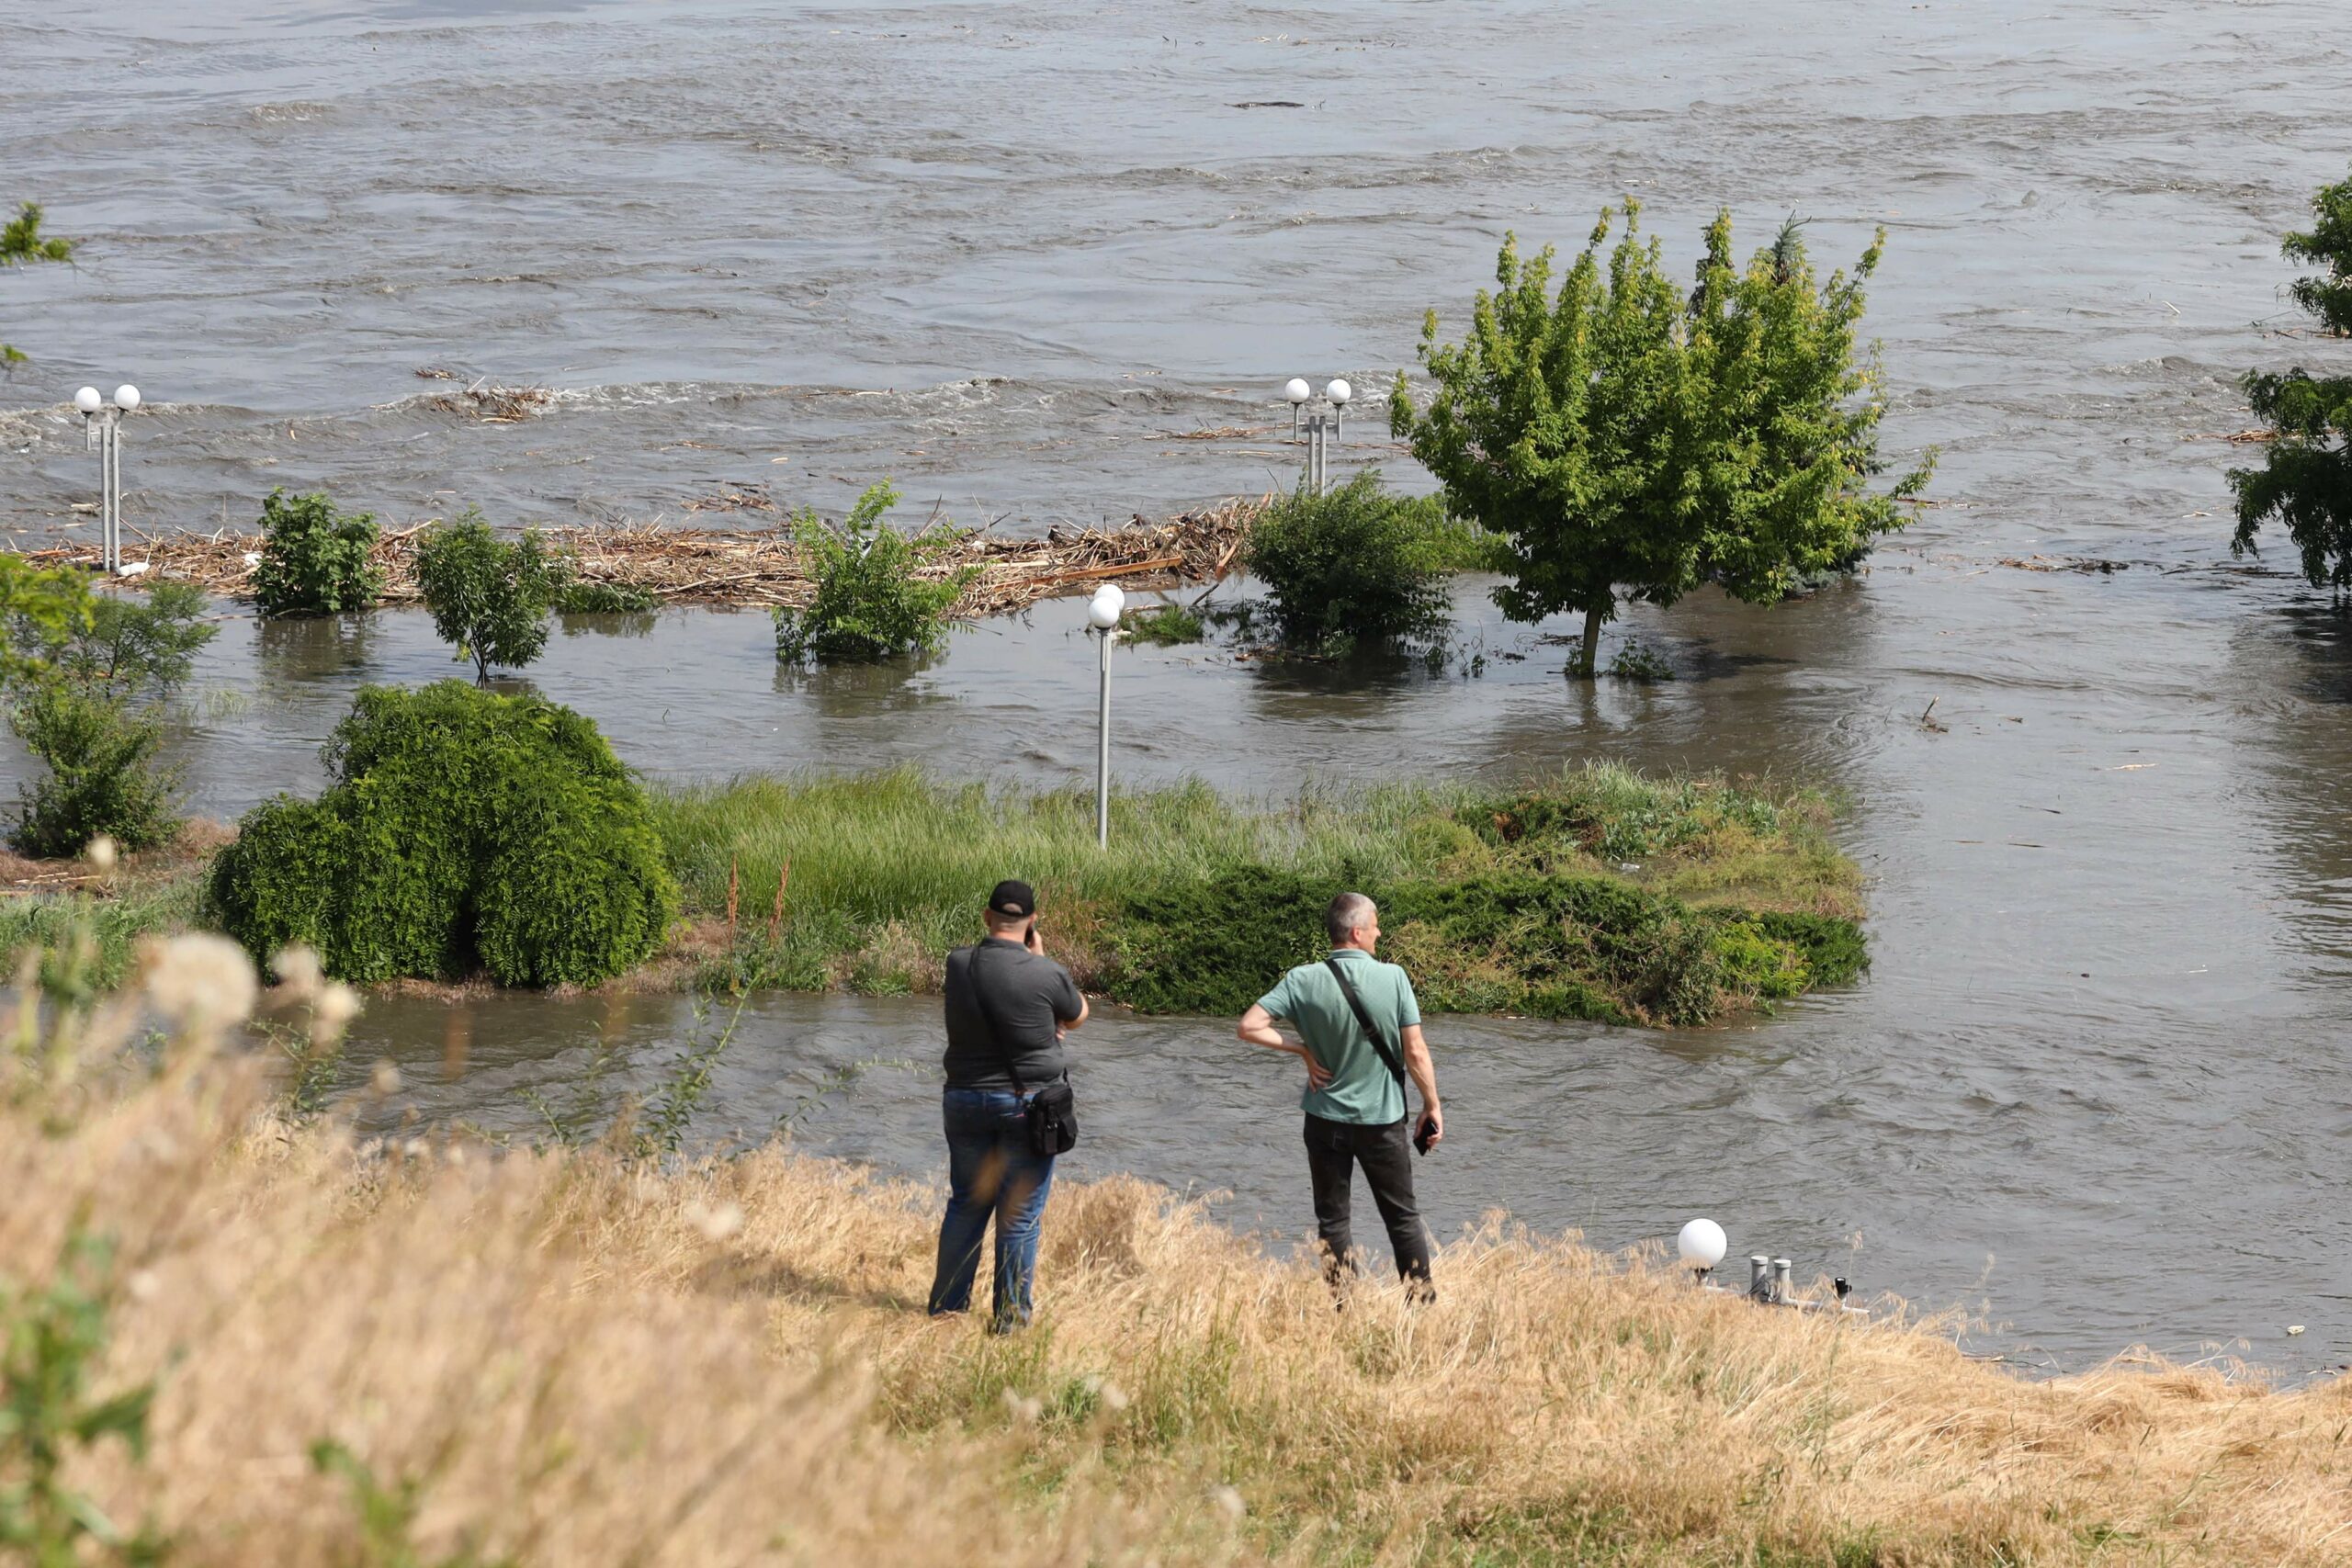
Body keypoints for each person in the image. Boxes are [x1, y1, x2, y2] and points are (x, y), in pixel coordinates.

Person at [1237, 891, 1442, 1297]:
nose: (1380, 932)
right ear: (1356, 931)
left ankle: (1345, 1310)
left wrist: (1301, 1049)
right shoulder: (1393, 977)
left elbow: (1249, 1026)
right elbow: (1415, 1052)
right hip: (1381, 1123)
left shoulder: (1301, 979)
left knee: (1333, 1223)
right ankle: (1420, 1308)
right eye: (1376, 925)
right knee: (1402, 1218)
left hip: (1324, 1119)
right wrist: (1431, 1105)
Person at [928, 878, 1088, 1331]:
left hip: (963, 1099)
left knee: (965, 1205)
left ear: (986, 917)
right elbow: (1076, 1016)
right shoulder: (1046, 972)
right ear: (1032, 922)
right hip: (1027, 1105)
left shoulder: (958, 963)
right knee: (1017, 1217)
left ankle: (945, 1311)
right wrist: (1039, 962)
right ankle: (1010, 1322)